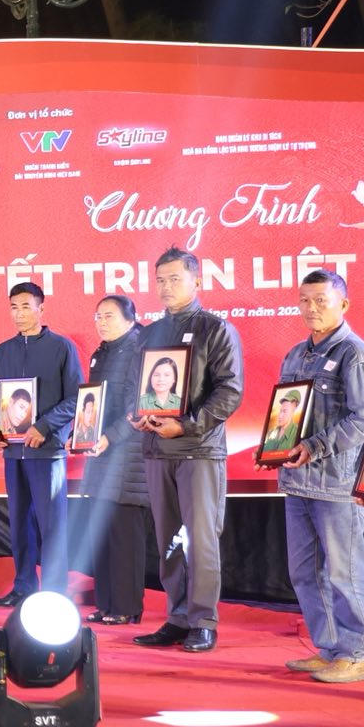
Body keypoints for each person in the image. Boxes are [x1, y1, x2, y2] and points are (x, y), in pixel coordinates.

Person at [269, 271, 364, 682]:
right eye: (304, 300)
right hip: (297, 481)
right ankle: (330, 648)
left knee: (343, 572)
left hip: (336, 484)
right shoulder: (295, 354)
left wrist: (316, 446)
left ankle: (354, 655)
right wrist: (274, 447)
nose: (311, 308)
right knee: (304, 572)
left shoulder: (356, 355)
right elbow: (286, 413)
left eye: (321, 300)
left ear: (343, 304)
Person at [132, 247, 244, 653]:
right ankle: (177, 617)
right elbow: (139, 389)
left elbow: (230, 391)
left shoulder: (216, 329)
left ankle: (202, 620)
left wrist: (187, 424)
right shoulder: (149, 334)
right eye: (160, 280)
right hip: (158, 450)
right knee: (169, 540)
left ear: (197, 280)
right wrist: (137, 415)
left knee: (200, 539)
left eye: (174, 279)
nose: (166, 287)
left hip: (199, 450)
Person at [0, 282, 82, 607]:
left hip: (47, 451)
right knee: (19, 523)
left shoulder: (61, 348)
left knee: (52, 526)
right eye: (14, 307)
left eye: (26, 306)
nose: (19, 313)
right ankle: (23, 586)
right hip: (13, 453)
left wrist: (44, 426)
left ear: (41, 309)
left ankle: (54, 592)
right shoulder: (3, 351)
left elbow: (76, 398)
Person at [73, 296, 153, 626]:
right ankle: (106, 604)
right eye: (97, 317)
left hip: (128, 458)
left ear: (131, 318)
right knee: (102, 535)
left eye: (108, 316)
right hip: (101, 456)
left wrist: (110, 436)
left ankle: (127, 606)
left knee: (125, 539)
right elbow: (92, 404)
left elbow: (140, 406)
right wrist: (82, 432)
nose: (101, 322)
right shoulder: (102, 353)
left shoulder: (140, 349)